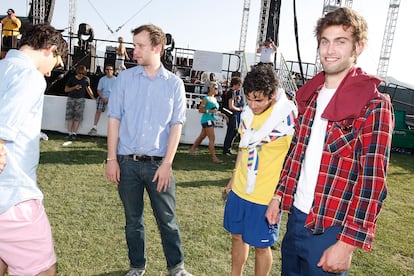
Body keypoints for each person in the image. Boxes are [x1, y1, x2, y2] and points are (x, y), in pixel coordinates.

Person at [265, 7, 394, 275]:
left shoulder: (374, 105)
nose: (329, 49)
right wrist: (279, 195)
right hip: (295, 219)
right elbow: (296, 153)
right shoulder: (310, 96)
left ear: (358, 46)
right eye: (325, 41)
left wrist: (347, 243)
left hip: (331, 228)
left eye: (340, 41)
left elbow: (372, 182)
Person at [105, 24, 192, 276]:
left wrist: (167, 164)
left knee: (167, 220)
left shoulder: (174, 84)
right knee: (133, 221)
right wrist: (112, 159)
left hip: (158, 166)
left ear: (157, 48)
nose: (135, 51)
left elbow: (176, 126)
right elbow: (114, 119)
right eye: (134, 45)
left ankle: (176, 267)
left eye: (140, 46)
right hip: (126, 163)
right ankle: (137, 266)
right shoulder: (124, 79)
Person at [0, 23, 67, 276]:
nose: (51, 73)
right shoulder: (30, 76)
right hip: (13, 194)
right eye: (56, 63)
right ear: (49, 50)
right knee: (42, 269)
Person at [223, 63, 297, 276]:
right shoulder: (246, 114)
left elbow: (293, 162)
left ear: (272, 95)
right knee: (237, 237)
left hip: (266, 195)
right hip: (239, 190)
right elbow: (243, 149)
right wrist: (234, 176)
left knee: (261, 246)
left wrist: (279, 195)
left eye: (259, 99)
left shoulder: (288, 118)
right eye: (249, 98)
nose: (253, 104)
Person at [188, 81, 227, 164]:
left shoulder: (214, 99)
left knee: (202, 136)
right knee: (212, 139)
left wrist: (222, 114)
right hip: (207, 120)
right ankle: (214, 158)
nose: (217, 90)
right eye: (216, 88)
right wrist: (210, 111)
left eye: (217, 88)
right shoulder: (206, 99)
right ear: (211, 88)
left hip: (210, 119)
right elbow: (200, 110)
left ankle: (192, 150)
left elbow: (215, 111)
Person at [64, 64, 95, 140]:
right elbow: (66, 90)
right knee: (70, 117)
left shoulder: (86, 79)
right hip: (71, 98)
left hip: (80, 99)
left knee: (77, 117)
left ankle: (74, 133)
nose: (81, 75)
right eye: (79, 73)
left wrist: (93, 97)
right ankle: (69, 133)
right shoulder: (72, 79)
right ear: (77, 72)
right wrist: (74, 87)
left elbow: (88, 89)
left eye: (83, 73)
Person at [88, 65, 116, 136]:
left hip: (113, 98)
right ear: (105, 71)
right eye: (107, 69)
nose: (109, 71)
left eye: (110, 69)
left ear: (113, 71)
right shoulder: (102, 79)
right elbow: (99, 90)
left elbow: (117, 91)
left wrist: (110, 98)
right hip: (102, 97)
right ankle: (94, 127)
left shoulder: (116, 80)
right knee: (98, 111)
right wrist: (103, 97)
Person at [221, 76, 243, 156]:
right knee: (232, 131)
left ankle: (227, 148)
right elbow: (231, 106)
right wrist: (239, 109)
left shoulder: (230, 92)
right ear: (236, 84)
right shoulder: (232, 92)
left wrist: (236, 100)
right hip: (230, 114)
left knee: (233, 131)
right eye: (239, 85)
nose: (240, 87)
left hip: (229, 113)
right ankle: (226, 149)